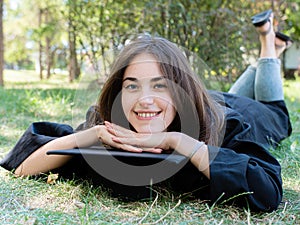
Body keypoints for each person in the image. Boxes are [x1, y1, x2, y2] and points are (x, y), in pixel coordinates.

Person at [0, 10, 292, 212]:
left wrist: (178, 142)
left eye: (160, 86)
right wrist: (91, 135)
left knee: (274, 110)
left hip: (232, 108)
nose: (144, 100)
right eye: (132, 86)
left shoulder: (226, 125)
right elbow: (23, 167)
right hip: (208, 99)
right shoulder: (108, 129)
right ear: (118, 92)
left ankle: (268, 46)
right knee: (224, 95)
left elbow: (266, 192)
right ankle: (265, 55)